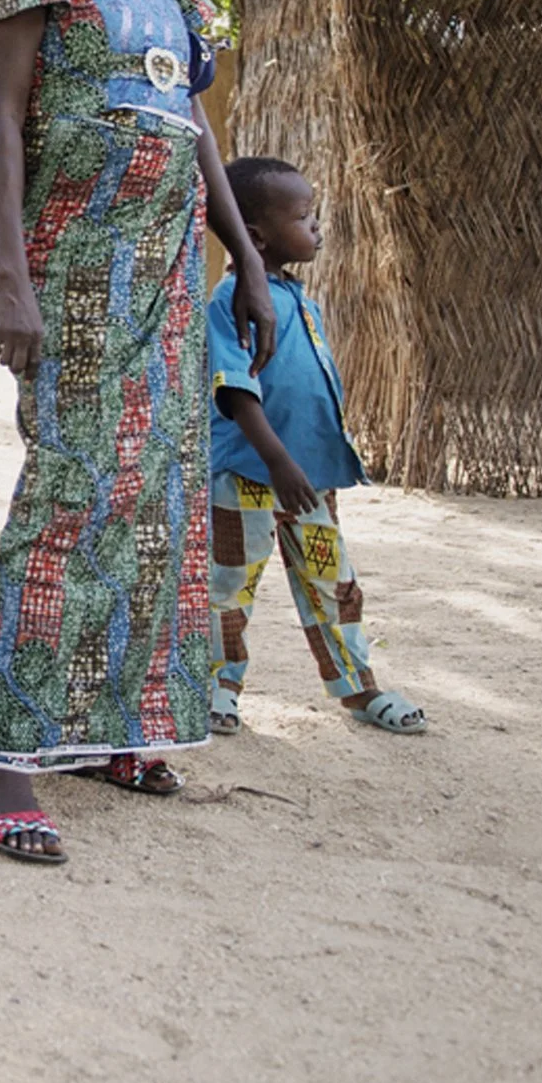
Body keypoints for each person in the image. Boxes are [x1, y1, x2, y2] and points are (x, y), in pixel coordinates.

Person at [0, 0, 275, 866]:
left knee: (156, 504)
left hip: (166, 279)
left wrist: (240, 262)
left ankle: (113, 729)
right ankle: (8, 765)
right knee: (68, 495)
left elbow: (191, 126)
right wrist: (8, 281)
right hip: (72, 275)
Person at [208, 157, 426, 737]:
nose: (316, 226)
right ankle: (218, 687)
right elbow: (236, 391)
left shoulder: (302, 300)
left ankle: (359, 688)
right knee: (229, 586)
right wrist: (277, 460)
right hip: (247, 478)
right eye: (303, 217)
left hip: (310, 482)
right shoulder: (230, 300)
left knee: (333, 584)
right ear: (255, 235)